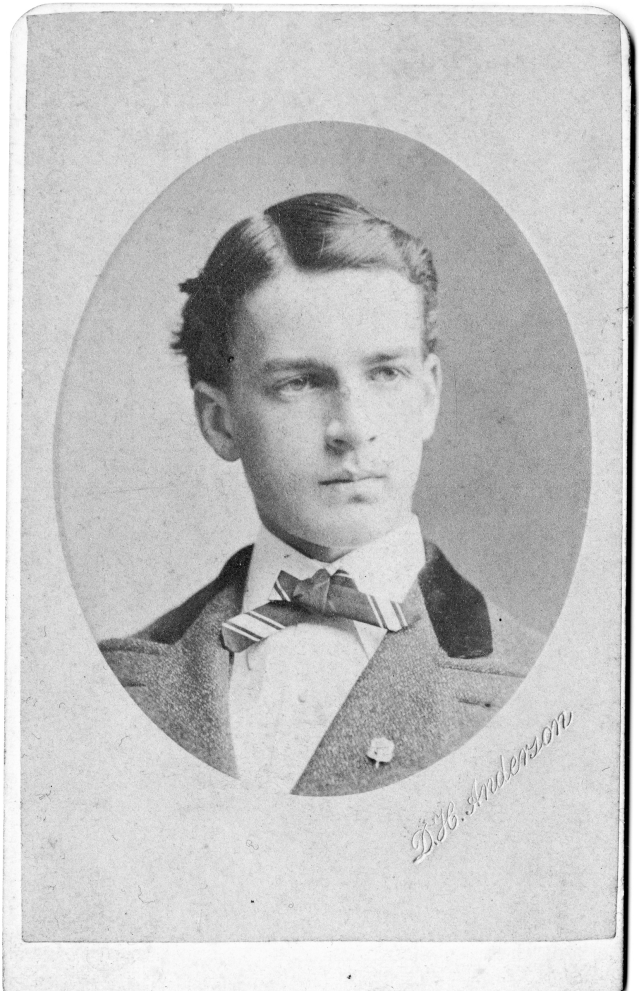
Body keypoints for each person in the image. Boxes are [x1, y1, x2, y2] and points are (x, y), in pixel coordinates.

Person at [100, 192, 545, 797]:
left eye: (386, 373)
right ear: (219, 421)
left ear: (429, 396)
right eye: (300, 383)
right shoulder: (114, 685)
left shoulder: (534, 684)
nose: (351, 428)